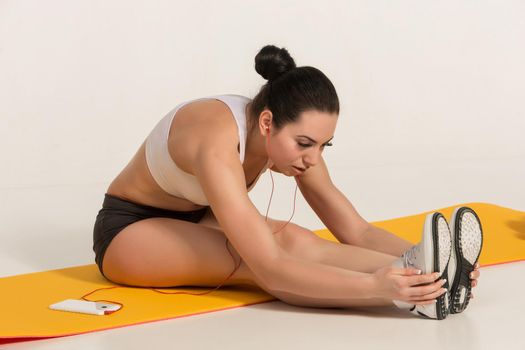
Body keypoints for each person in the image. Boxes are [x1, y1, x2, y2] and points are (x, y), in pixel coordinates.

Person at [92, 44, 480, 317]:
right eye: (305, 143)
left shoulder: (288, 141)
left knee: (295, 238)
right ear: (266, 124)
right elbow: (271, 267)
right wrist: (376, 289)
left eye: (324, 145)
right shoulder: (214, 140)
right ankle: (410, 298)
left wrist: (431, 263)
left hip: (194, 220)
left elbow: (357, 231)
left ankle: (423, 281)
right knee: (249, 259)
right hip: (129, 231)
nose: (312, 157)